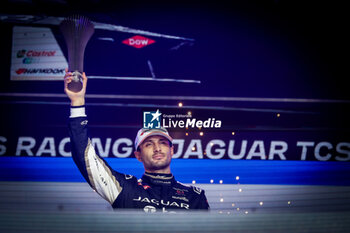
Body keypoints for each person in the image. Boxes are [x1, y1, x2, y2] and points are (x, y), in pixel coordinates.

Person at [64, 71, 210, 212]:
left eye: (163, 142)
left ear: (172, 150)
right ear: (138, 155)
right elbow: (85, 158)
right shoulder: (125, 188)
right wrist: (78, 102)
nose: (157, 148)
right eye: (148, 144)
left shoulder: (195, 196)